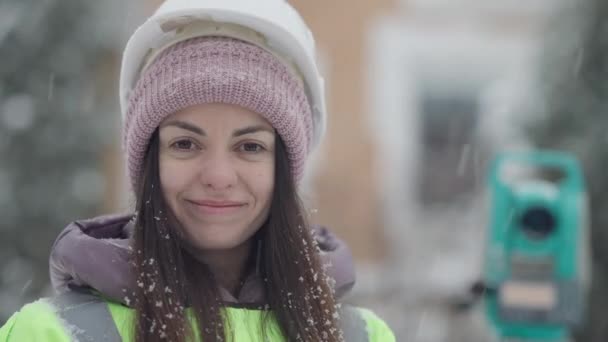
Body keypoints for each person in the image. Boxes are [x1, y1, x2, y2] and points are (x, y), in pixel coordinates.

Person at [0, 0, 395, 341]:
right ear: (149, 161)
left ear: (285, 169)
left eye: (250, 146)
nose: (218, 175)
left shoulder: (361, 336)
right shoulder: (51, 334)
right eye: (185, 144)